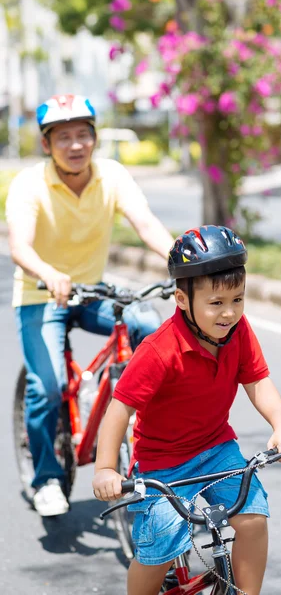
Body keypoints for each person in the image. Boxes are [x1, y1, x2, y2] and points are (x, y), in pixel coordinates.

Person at [92, 225, 281, 595]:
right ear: (182, 299)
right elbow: (120, 410)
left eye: (238, 300)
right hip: (163, 463)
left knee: (253, 519)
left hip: (216, 448)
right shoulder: (160, 350)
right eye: (217, 303)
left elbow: (257, 380)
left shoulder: (238, 331)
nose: (229, 313)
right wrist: (105, 469)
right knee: (158, 549)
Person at [6, 94, 174, 517]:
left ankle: (150, 428)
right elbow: (19, 245)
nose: (76, 144)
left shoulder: (112, 176)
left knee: (147, 323)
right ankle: (45, 478)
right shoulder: (30, 184)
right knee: (47, 387)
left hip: (93, 290)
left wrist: (182, 260)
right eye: (64, 137)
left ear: (95, 138)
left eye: (83, 134)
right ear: (47, 145)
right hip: (42, 293)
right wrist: (48, 273)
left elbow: (146, 222)